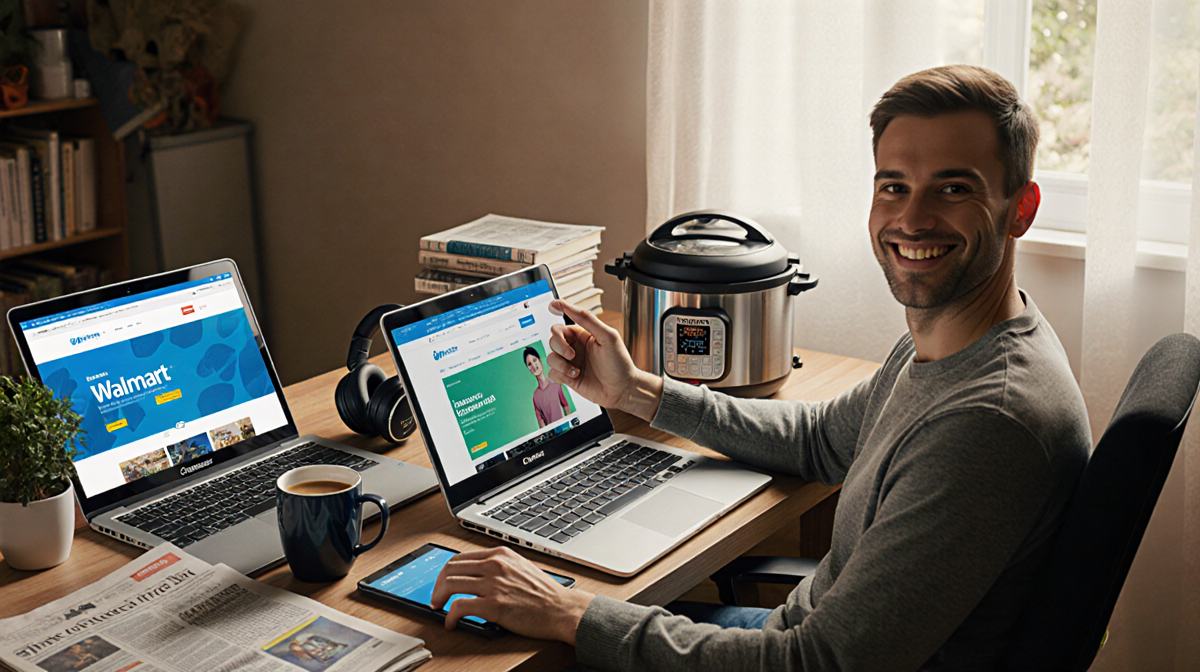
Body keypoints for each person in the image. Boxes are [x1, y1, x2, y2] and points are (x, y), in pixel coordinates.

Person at [431, 65, 1091, 671]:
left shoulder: (987, 423)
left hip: (798, 656)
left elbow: (820, 664)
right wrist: (634, 390)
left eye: (953, 188)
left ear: (1021, 209)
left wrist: (570, 612)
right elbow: (821, 441)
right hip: (793, 636)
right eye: (893, 186)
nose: (912, 219)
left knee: (488, 650)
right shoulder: (962, 338)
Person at [525, 345, 570, 427]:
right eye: (529, 364)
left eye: (535, 360)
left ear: (540, 361)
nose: (533, 366)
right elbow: (540, 421)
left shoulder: (557, 386)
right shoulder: (535, 396)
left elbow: (566, 406)